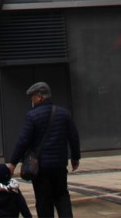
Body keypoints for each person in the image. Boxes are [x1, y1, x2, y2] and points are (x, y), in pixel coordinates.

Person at [7, 82, 81, 218]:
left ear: (39, 97)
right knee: (62, 196)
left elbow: (23, 141)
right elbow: (74, 137)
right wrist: (75, 158)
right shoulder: (64, 114)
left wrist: (13, 163)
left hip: (41, 168)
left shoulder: (32, 116)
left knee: (43, 201)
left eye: (32, 97)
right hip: (59, 165)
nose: (32, 100)